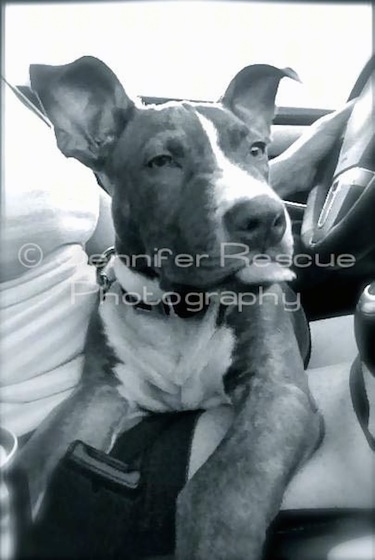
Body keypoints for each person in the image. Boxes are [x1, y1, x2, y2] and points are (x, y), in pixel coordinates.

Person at [1, 77, 373, 559]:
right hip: (57, 410)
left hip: (156, 317)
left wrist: (290, 163)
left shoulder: (12, 98)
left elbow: (120, 224)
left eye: (255, 145)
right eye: (162, 160)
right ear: (86, 132)